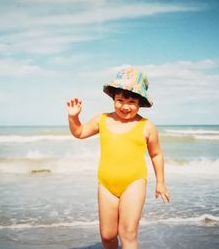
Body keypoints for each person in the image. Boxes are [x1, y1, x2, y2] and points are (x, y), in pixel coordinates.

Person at [66, 67, 170, 249]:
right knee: (107, 236)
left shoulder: (146, 126)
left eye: (131, 101)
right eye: (120, 100)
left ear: (140, 102)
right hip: (106, 184)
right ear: (113, 99)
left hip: (134, 183)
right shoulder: (102, 119)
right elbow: (80, 132)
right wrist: (73, 117)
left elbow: (156, 154)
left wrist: (160, 182)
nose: (125, 106)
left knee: (128, 234)